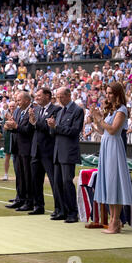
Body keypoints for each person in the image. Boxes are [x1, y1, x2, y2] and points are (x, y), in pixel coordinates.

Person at [90, 82, 132, 234]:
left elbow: (114, 130)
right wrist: (96, 119)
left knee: (114, 182)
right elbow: (103, 131)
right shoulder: (111, 110)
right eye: (107, 93)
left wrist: (99, 119)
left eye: (110, 93)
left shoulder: (121, 110)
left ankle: (115, 221)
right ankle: (113, 220)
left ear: (117, 94)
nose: (107, 96)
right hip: (106, 146)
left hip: (115, 148)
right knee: (109, 182)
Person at [47, 87, 84, 223]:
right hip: (57, 151)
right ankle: (62, 210)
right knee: (57, 183)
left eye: (61, 96)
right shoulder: (60, 110)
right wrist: (51, 127)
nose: (59, 99)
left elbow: (74, 131)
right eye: (57, 97)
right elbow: (54, 132)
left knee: (67, 182)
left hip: (68, 151)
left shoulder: (77, 110)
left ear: (68, 96)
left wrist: (56, 127)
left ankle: (72, 212)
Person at [28, 87, 61, 216]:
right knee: (36, 181)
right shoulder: (35, 110)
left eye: (39, 95)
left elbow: (50, 128)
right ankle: (38, 206)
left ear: (48, 96)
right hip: (36, 151)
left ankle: (58, 208)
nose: (37, 98)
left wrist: (35, 123)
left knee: (54, 181)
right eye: (36, 96)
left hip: (49, 151)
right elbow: (34, 128)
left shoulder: (56, 110)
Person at [4, 91, 34, 211]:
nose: (17, 102)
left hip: (26, 148)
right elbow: (14, 127)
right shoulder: (17, 111)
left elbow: (29, 130)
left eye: (19, 100)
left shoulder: (32, 111)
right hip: (16, 147)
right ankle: (20, 198)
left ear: (27, 100)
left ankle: (28, 201)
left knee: (27, 176)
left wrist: (15, 126)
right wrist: (10, 126)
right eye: (16, 100)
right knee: (19, 175)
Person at [2, 101, 16, 181]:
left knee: (17, 157)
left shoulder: (19, 114)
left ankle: (18, 174)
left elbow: (15, 126)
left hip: (17, 137)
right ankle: (6, 174)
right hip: (8, 137)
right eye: (10, 106)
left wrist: (10, 121)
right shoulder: (5, 116)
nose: (12, 108)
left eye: (13, 106)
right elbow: (5, 127)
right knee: (7, 156)